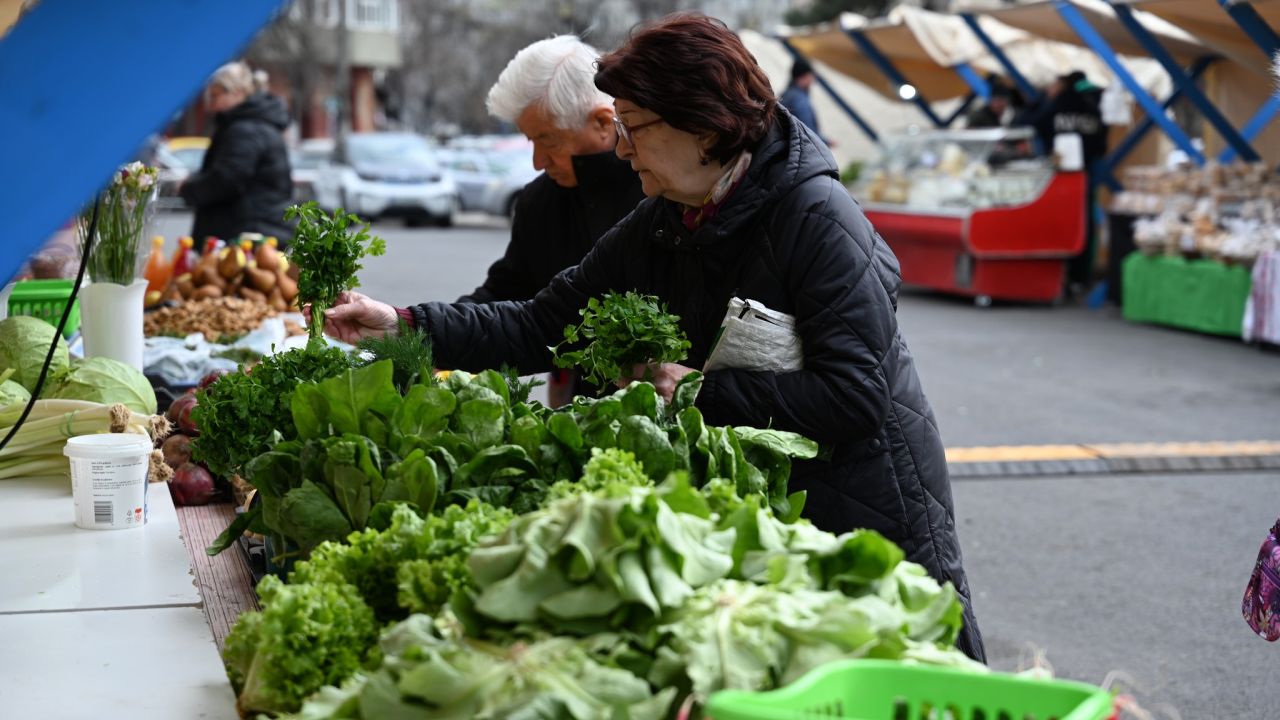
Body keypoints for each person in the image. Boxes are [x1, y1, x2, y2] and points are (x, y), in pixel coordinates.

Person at [323, 13, 985, 662]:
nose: (622, 146)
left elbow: (854, 396)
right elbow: (541, 324)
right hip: (773, 508)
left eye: (635, 128)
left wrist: (699, 392)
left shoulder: (816, 219)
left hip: (870, 514)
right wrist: (403, 325)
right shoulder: (666, 217)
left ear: (704, 127)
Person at [457, 36, 646, 406]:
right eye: (531, 141)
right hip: (576, 410)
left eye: (549, 141)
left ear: (603, 122)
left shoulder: (657, 189)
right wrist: (425, 333)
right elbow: (507, 293)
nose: (538, 161)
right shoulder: (539, 201)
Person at [180, 62, 293, 248]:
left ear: (237, 93)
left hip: (245, 237)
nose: (211, 105)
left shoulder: (244, 130)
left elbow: (227, 179)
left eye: (215, 96)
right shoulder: (256, 124)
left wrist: (189, 187)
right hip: (258, 230)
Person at [778, 57, 833, 147]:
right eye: (811, 75)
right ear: (804, 76)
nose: (813, 79)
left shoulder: (786, 94)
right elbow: (808, 130)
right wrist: (825, 142)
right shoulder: (798, 99)